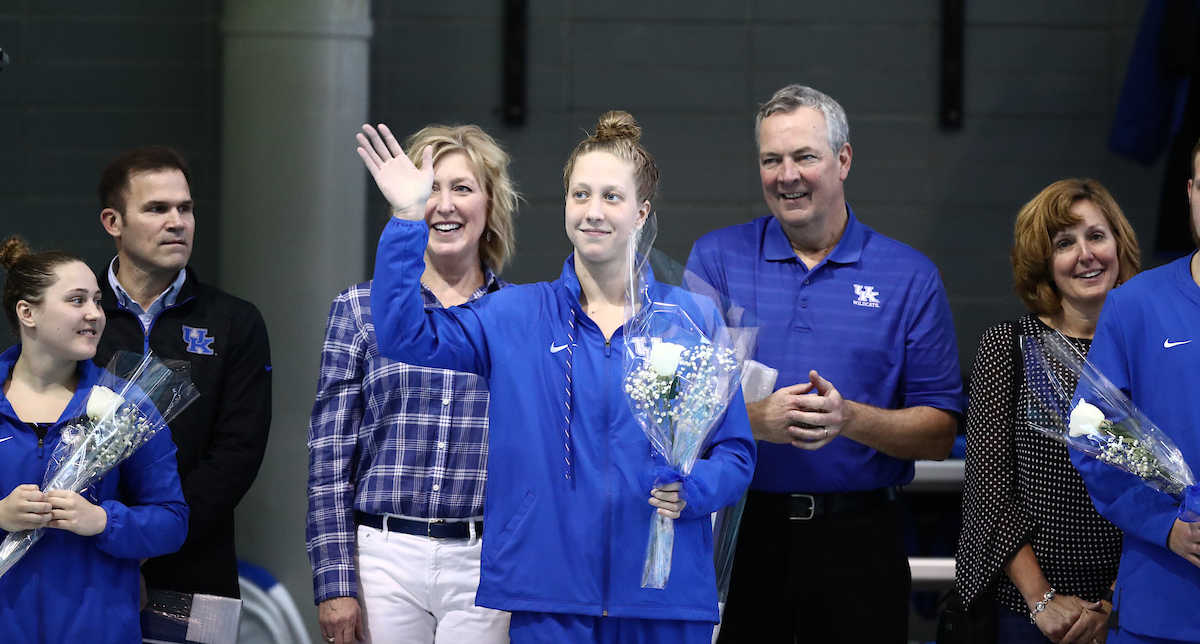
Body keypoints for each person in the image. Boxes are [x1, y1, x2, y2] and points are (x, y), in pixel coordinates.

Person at [358, 112, 755, 644]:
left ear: (642, 212)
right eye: (580, 195)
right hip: (548, 595)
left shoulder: (691, 320)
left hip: (663, 593)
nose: (593, 212)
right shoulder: (515, 315)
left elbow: (736, 452)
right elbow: (403, 335)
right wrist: (409, 216)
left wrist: (697, 490)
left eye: (612, 197)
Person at [685, 84, 963, 644]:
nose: (786, 174)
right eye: (771, 159)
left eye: (804, 156)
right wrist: (755, 420)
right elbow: (676, 408)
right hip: (743, 534)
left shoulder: (909, 276)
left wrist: (850, 419)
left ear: (843, 159)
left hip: (861, 541)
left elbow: (940, 431)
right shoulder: (716, 259)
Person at [307, 124, 519, 644]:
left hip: (485, 558)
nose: (443, 205)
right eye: (429, 189)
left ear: (490, 206)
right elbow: (330, 457)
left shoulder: (519, 316)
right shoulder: (358, 310)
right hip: (383, 556)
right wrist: (334, 583)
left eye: (462, 189)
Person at [957, 179, 1139, 644]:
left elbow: (1166, 489)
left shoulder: (1149, 346)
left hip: (1131, 605)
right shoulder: (1009, 348)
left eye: (1096, 236)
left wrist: (1115, 605)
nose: (1085, 254)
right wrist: (1042, 600)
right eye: (1064, 243)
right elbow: (989, 490)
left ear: (1119, 245)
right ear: (1044, 262)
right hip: (1029, 611)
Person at [93, 146, 272, 599]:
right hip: (87, 553)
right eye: (157, 208)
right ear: (114, 222)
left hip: (196, 563)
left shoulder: (236, 321)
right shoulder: (78, 315)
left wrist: (151, 538)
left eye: (185, 208)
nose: (178, 221)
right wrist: (108, 531)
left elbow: (238, 452)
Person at [0, 237, 188, 642]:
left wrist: (102, 521)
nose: (95, 314)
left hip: (99, 629)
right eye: (76, 300)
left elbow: (172, 522)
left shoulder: (126, 406)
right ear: (27, 312)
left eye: (98, 301)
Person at [1070, 139, 1200, 644]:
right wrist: (1166, 527)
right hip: (1161, 608)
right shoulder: (1134, 305)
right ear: (1189, 193)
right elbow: (1090, 436)